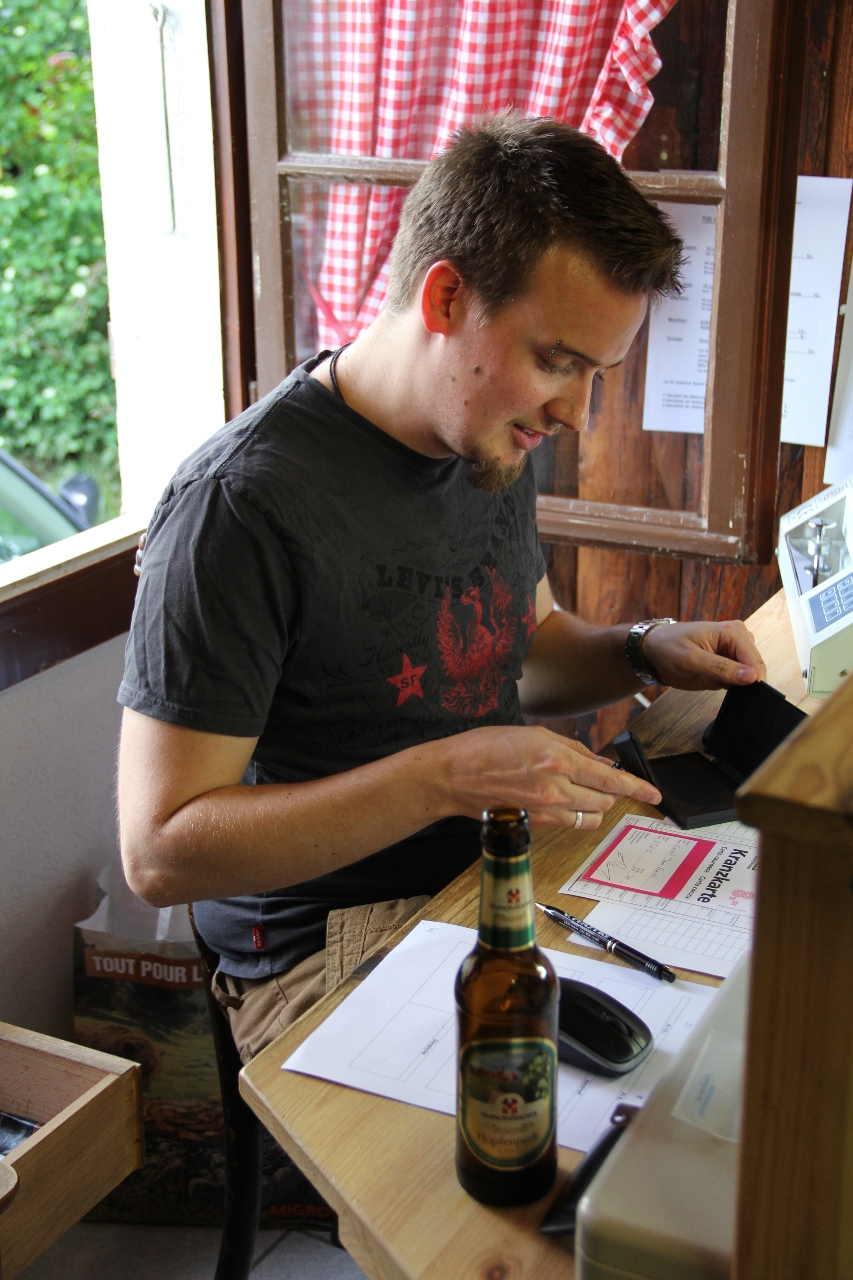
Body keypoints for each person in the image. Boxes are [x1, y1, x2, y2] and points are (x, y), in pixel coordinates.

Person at [117, 113, 766, 1063]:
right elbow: (159, 852)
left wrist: (641, 649)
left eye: (596, 373)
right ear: (446, 296)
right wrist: (443, 780)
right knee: (535, 1134)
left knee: (731, 1027)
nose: (575, 412)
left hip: (494, 870)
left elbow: (519, 652)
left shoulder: (487, 437)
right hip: (320, 942)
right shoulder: (241, 505)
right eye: (556, 361)